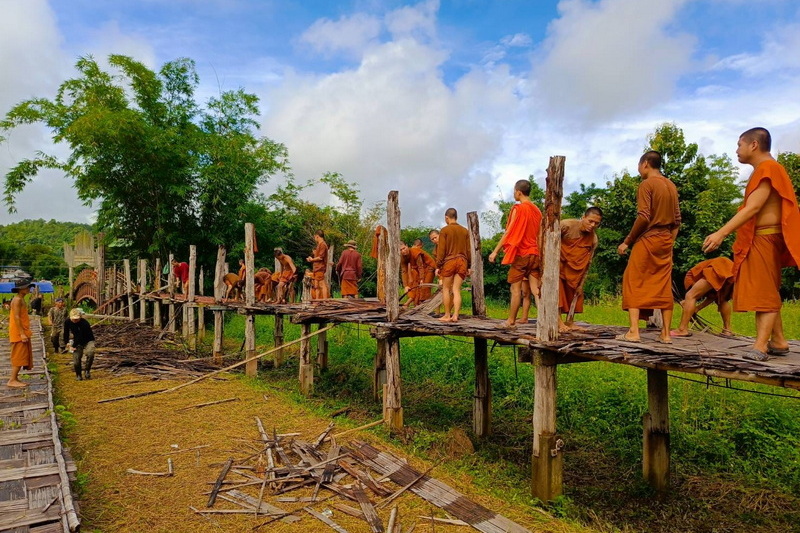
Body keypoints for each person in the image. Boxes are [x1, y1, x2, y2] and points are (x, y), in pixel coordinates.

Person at [703, 128, 800, 361]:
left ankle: (760, 347)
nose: (737, 150)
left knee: (763, 292)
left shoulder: (768, 168)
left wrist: (721, 233)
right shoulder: (768, 169)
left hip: (766, 237)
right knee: (766, 288)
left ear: (753, 145)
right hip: (765, 237)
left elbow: (754, 207)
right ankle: (778, 341)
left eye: (739, 145)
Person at [617, 151, 681, 344]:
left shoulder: (647, 184)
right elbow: (677, 221)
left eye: (639, 166)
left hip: (648, 238)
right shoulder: (671, 185)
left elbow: (644, 216)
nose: (639, 170)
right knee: (663, 283)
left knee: (633, 279)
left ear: (645, 164)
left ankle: (634, 332)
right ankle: (666, 334)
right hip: (666, 240)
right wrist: (669, 242)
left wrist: (627, 242)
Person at [489, 179, 543, 328]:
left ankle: (510, 321)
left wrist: (495, 251)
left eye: (514, 191)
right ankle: (545, 318)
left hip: (522, 254)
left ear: (518, 192)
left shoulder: (518, 209)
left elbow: (509, 231)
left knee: (515, 289)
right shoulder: (537, 210)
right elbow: (539, 234)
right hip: (535, 253)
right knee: (535, 289)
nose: (514, 194)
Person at [558, 207, 603, 331]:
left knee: (576, 294)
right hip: (559, 266)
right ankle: (558, 322)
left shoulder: (593, 239)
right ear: (583, 217)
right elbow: (547, 238)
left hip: (577, 271)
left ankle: (570, 321)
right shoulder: (566, 225)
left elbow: (588, 262)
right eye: (590, 221)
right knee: (558, 293)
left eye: (596, 223)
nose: (592, 225)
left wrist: (581, 283)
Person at [670, 257, 735, 337]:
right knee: (722, 300)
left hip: (719, 267)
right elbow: (713, 297)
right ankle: (727, 330)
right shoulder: (707, 284)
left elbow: (694, 294)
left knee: (690, 295)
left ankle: (682, 329)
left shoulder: (689, 278)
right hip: (731, 269)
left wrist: (688, 304)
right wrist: (697, 308)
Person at [435, 208, 471, 322]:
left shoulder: (445, 230)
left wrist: (438, 265)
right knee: (456, 289)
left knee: (445, 289)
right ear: (456, 217)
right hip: (462, 261)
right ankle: (455, 315)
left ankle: (447, 315)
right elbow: (469, 250)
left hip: (449, 261)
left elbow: (441, 251)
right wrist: (468, 266)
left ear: (446, 218)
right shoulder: (465, 231)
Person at [7, 280, 34, 388]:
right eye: (26, 287)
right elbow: (16, 317)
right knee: (18, 356)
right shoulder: (17, 300)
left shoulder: (21, 299)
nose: (28, 289)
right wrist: (22, 333)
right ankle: (12, 380)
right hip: (18, 333)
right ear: (20, 289)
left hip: (22, 331)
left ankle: (15, 378)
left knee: (22, 355)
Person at [64, 308, 96, 380]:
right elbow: (66, 333)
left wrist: (73, 346)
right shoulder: (67, 321)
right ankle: (78, 375)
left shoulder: (84, 323)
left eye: (77, 319)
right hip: (76, 340)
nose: (75, 320)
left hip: (88, 340)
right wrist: (67, 343)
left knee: (90, 353)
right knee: (76, 358)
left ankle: (87, 370)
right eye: (73, 319)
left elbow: (80, 336)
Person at [410, 239, 437, 304]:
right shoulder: (413, 250)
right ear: (420, 245)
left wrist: (421, 277)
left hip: (430, 268)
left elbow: (420, 265)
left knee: (425, 287)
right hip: (421, 269)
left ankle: (424, 304)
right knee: (418, 286)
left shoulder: (417, 251)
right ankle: (417, 303)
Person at [306, 230, 330, 299]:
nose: (315, 238)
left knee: (322, 284)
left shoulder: (323, 244)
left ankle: (325, 300)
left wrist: (312, 259)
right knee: (316, 285)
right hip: (316, 267)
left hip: (320, 267)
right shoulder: (319, 244)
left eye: (315, 237)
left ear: (317, 236)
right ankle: (317, 300)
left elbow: (320, 258)